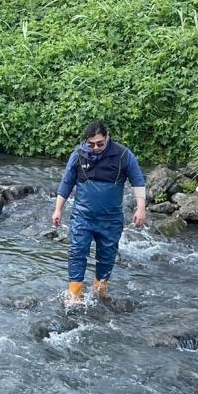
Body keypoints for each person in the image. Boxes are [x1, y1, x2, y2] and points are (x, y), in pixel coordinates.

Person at [51, 120, 147, 303]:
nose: (95, 147)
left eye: (100, 144)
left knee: (107, 255)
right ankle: (75, 294)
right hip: (83, 216)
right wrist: (58, 210)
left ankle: (100, 291)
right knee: (77, 251)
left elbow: (138, 181)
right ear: (86, 141)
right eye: (91, 144)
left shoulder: (123, 155)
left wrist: (141, 208)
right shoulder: (78, 156)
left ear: (107, 137)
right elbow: (66, 183)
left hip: (110, 219)